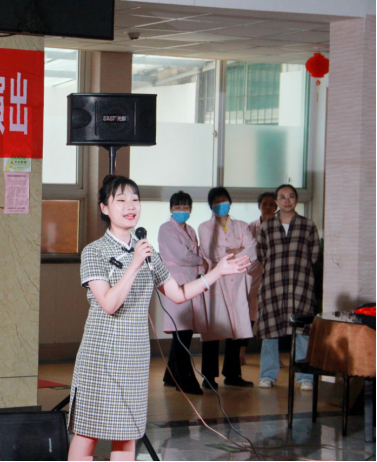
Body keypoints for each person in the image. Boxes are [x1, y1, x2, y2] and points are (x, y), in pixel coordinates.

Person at [68, 176, 250, 462]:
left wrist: (217, 272)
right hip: (101, 355)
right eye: (121, 200)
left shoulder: (148, 252)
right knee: (87, 432)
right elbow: (109, 304)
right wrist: (134, 264)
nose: (130, 206)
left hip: (135, 357)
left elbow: (178, 294)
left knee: (127, 434)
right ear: (104, 208)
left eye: (135, 200)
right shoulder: (95, 251)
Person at [256, 184, 319, 391]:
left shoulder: (308, 225)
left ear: (296, 200)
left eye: (291, 196)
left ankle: (305, 377)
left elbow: (314, 254)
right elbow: (261, 254)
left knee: (303, 331)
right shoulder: (266, 227)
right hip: (272, 285)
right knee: (270, 331)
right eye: (282, 197)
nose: (287, 200)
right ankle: (267, 375)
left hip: (300, 284)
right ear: (277, 201)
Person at [198, 187, 257, 389]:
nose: (221, 204)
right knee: (212, 330)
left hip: (238, 280)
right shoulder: (205, 227)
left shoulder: (241, 226)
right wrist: (237, 250)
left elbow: (252, 250)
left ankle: (232, 374)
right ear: (211, 205)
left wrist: (229, 252)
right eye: (216, 201)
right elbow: (210, 252)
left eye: (224, 200)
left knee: (236, 329)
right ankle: (208, 377)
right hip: (216, 281)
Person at [158, 191, 208, 395]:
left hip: (191, 281)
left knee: (183, 331)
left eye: (185, 207)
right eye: (177, 207)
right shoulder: (166, 229)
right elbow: (182, 255)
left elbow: (197, 254)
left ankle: (170, 376)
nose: (182, 211)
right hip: (176, 282)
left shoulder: (191, 230)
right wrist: (201, 261)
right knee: (182, 332)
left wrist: (201, 266)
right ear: (171, 209)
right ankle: (184, 380)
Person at [241, 192, 278, 365]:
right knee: (250, 315)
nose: (268, 207)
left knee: (273, 317)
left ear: (276, 207)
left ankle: (273, 356)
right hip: (254, 274)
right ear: (259, 206)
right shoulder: (250, 228)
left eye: (271, 204)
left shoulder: (281, 227)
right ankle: (241, 352)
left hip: (274, 275)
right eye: (264, 204)